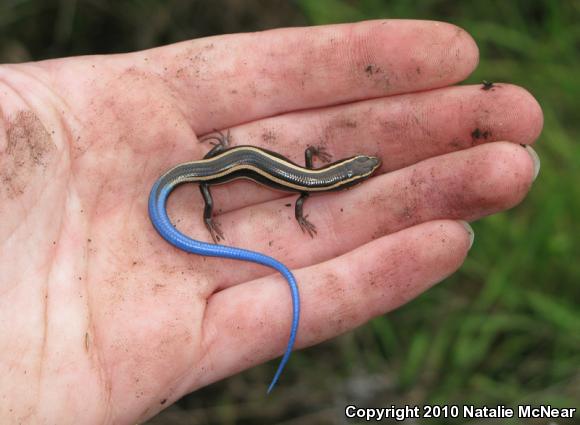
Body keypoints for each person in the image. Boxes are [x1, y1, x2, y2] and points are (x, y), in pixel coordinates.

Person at [0, 20, 542, 423]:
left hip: (219, 162)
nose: (366, 168)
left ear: (343, 175)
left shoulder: (315, 176)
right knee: (214, 184)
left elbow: (307, 164)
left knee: (221, 172)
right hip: (208, 169)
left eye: (363, 169)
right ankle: (206, 219)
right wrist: (214, 209)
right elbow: (302, 192)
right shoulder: (313, 189)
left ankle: (208, 207)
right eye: (363, 168)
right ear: (347, 175)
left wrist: (249, 164)